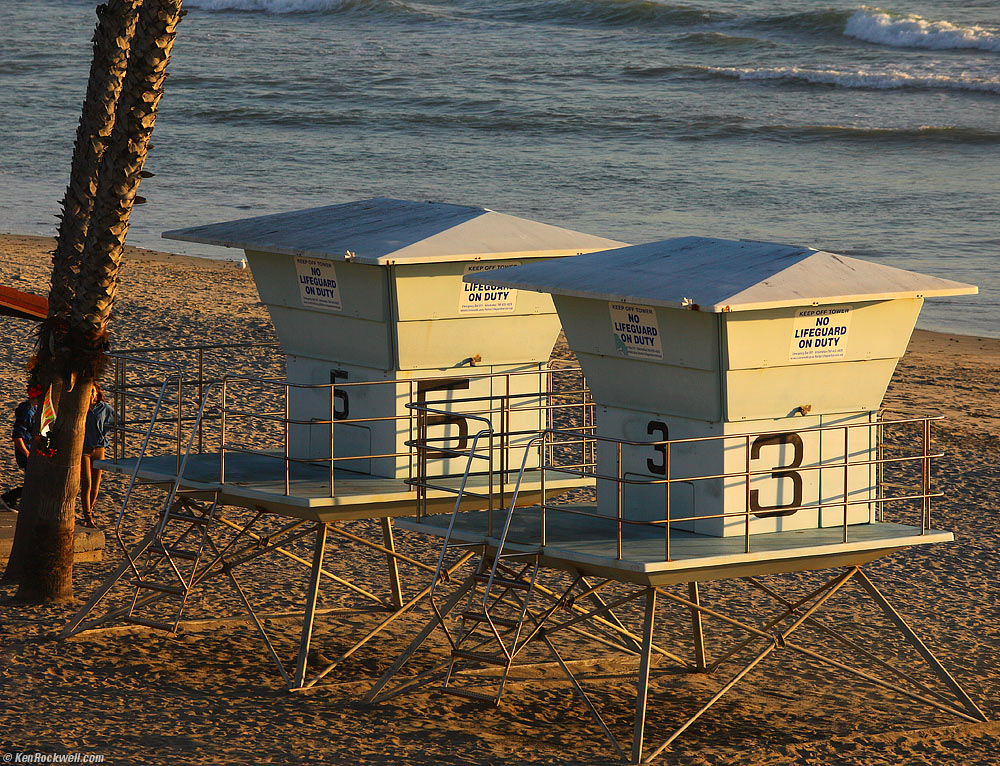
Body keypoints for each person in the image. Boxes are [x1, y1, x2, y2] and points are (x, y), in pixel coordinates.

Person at [1, 385, 41, 511]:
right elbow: (17, 436)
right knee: (35, 483)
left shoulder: (31, 409)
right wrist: (27, 453)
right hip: (26, 450)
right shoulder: (27, 411)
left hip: (29, 449)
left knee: (34, 481)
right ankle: (8, 497)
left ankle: (10, 498)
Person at [80, 383, 114, 528]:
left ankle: (90, 511)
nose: (91, 395)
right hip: (84, 450)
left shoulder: (103, 407)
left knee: (96, 485)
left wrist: (105, 432)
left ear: (97, 392)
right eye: (89, 392)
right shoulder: (81, 408)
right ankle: (88, 517)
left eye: (93, 391)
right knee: (86, 483)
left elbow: (116, 420)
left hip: (99, 449)